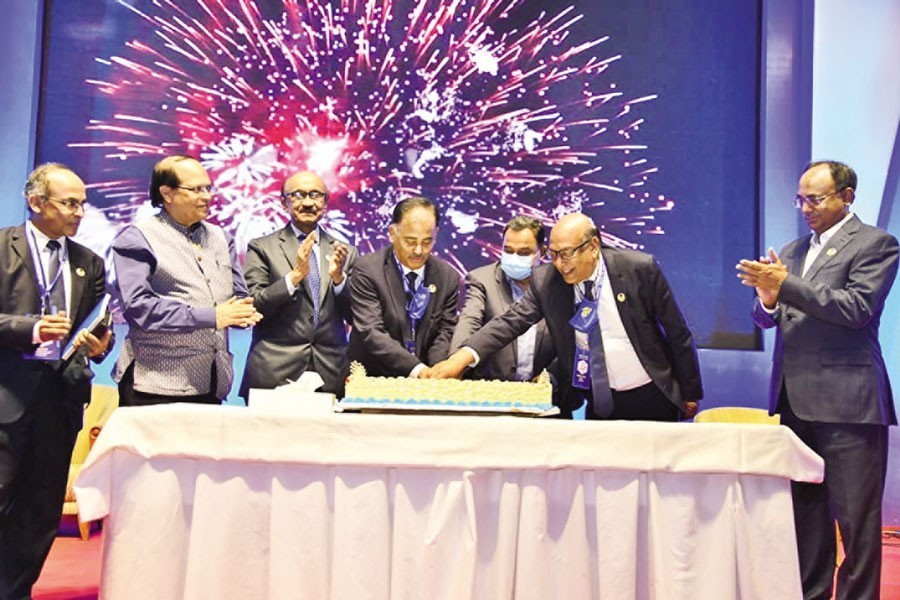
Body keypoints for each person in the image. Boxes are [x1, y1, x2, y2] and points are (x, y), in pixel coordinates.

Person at [737, 160, 897, 600]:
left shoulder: (875, 244)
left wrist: (785, 285)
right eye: (801, 199)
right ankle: (810, 593)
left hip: (849, 404)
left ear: (847, 197)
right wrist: (768, 299)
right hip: (794, 401)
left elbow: (855, 309)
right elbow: (766, 316)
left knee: (857, 523)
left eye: (816, 198)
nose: (805, 208)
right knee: (806, 517)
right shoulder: (789, 251)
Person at [429, 213, 702, 421]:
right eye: (554, 254)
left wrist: (690, 392)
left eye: (568, 254)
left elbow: (677, 332)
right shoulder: (549, 280)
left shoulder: (638, 270)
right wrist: (461, 359)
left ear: (593, 246)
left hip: (651, 392)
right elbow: (508, 323)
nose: (560, 264)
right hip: (600, 401)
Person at [0, 163, 113, 599]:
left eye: (83, 203)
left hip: (61, 401)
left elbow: (98, 326)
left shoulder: (89, 262)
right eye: (70, 203)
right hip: (7, 395)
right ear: (36, 203)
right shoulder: (3, 246)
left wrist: (97, 344)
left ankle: (16, 591)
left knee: (40, 509)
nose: (79, 212)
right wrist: (29, 329)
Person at [111, 155, 261, 405]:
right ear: (167, 194)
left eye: (208, 188)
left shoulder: (222, 238)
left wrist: (242, 313)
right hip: (154, 385)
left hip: (212, 383)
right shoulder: (137, 239)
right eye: (196, 189)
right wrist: (212, 316)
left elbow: (238, 295)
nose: (206, 196)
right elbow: (139, 308)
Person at [240, 171, 358, 399]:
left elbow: (358, 316)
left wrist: (339, 280)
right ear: (284, 203)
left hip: (330, 373)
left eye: (315, 195)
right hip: (273, 372)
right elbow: (253, 306)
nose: (307, 202)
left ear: (325, 203)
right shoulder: (262, 247)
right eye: (298, 195)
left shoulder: (345, 252)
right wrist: (294, 277)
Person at [347, 197, 459, 378]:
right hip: (374, 379)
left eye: (427, 241)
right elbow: (371, 331)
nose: (418, 250)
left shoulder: (448, 277)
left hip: (427, 383)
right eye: (410, 241)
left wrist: (435, 371)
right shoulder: (367, 269)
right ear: (392, 233)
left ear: (436, 233)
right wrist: (417, 369)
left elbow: (445, 332)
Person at [450, 215, 556, 384]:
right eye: (508, 250)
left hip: (545, 395)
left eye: (523, 252)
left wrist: (551, 376)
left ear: (541, 252)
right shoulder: (481, 280)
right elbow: (468, 321)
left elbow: (572, 343)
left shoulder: (556, 285)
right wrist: (455, 364)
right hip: (491, 393)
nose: (514, 257)